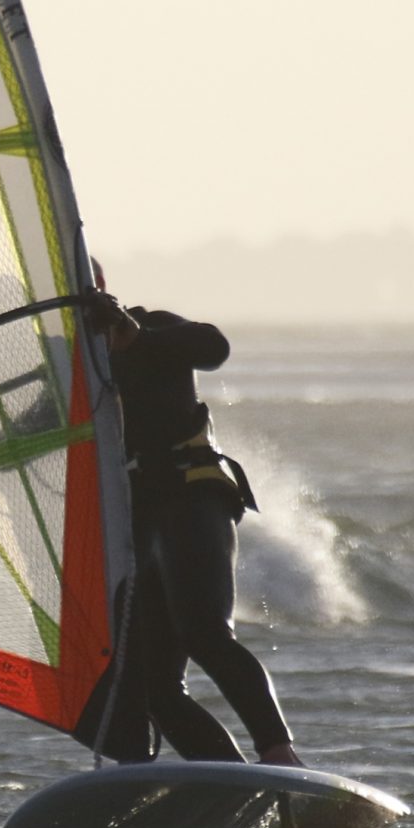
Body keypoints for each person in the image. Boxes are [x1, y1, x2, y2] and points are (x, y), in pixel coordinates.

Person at [73, 289, 303, 770]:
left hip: (191, 500)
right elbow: (33, 428)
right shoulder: (72, 369)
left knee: (204, 634)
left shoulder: (151, 327)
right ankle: (233, 782)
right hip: (140, 523)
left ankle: (280, 756)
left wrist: (134, 337)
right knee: (154, 687)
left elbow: (214, 347)